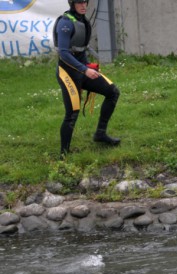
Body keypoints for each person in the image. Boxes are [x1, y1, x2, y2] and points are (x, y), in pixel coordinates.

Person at [54, 0, 121, 157]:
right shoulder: (65, 23)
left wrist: (87, 67)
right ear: (72, 4)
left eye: (85, 2)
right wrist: (84, 70)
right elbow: (63, 53)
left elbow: (80, 48)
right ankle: (63, 156)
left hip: (83, 71)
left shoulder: (82, 20)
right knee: (72, 113)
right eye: (79, 2)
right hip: (68, 74)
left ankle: (100, 134)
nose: (83, 5)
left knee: (113, 92)